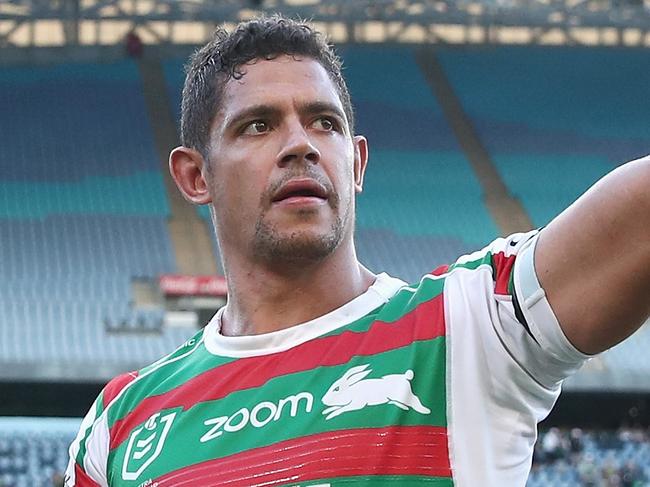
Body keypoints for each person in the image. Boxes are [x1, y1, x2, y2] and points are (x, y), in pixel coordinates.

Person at [65, 14, 650, 487]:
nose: (301, 145)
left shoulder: (469, 326)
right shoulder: (121, 425)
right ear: (196, 177)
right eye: (259, 126)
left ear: (357, 162)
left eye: (324, 123)